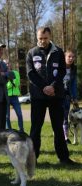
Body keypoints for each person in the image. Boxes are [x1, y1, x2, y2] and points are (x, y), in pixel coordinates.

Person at [26, 26, 75, 165]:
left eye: (45, 38)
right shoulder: (31, 53)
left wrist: (53, 86)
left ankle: (64, 158)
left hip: (55, 95)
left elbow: (61, 72)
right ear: (37, 37)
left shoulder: (58, 52)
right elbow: (31, 74)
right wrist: (44, 87)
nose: (42, 41)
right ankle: (32, 159)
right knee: (35, 128)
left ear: (50, 36)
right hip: (38, 97)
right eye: (40, 38)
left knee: (58, 127)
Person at [63, 49, 78, 144]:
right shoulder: (59, 66)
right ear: (65, 57)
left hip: (67, 95)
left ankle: (65, 137)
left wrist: (75, 97)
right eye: (69, 56)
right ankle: (59, 136)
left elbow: (73, 84)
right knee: (58, 117)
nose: (71, 58)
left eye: (73, 57)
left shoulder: (73, 69)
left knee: (65, 117)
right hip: (57, 95)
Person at [6, 67, 24, 132]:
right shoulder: (4, 74)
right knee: (7, 116)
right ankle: (9, 132)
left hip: (15, 97)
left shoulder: (16, 72)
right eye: (6, 64)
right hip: (7, 96)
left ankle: (21, 130)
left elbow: (17, 83)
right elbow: (5, 86)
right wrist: (12, 83)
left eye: (8, 64)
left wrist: (10, 83)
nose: (7, 65)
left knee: (19, 114)